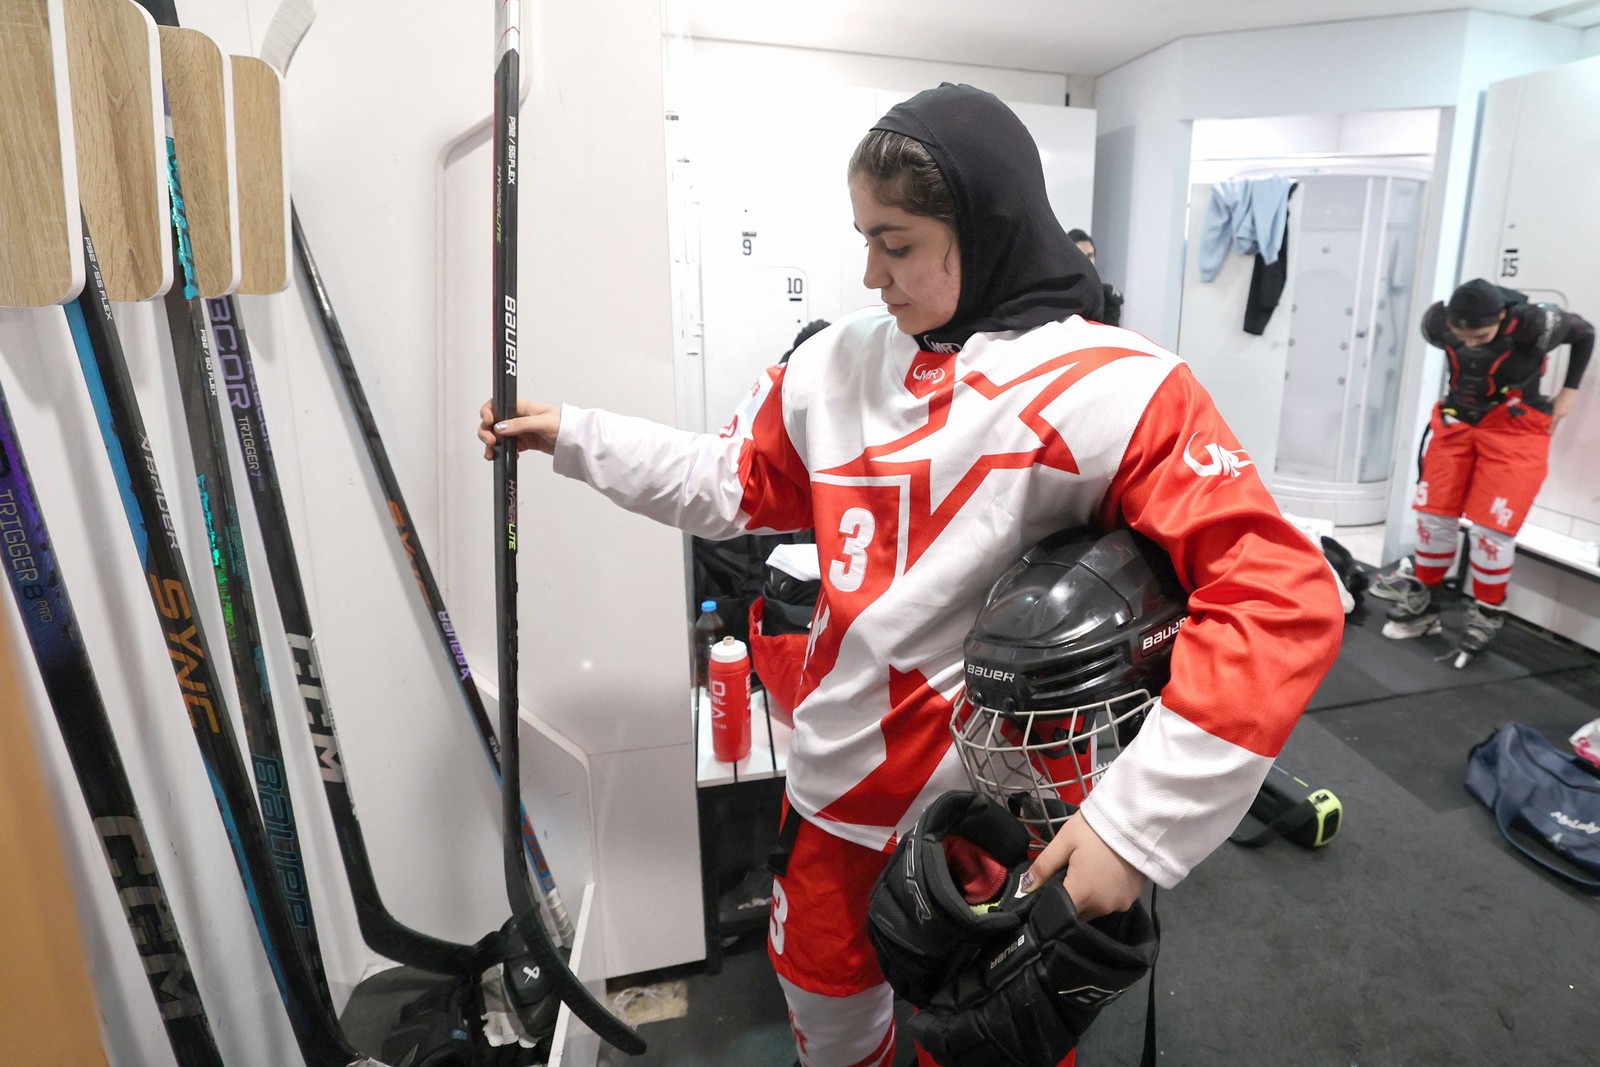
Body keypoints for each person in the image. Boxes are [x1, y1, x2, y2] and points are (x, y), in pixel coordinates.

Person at [479, 83, 1344, 1067]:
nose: (869, 272)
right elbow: (733, 481)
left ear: (981, 227)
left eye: (895, 244)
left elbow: (1278, 597)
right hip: (834, 784)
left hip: (988, 807)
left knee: (989, 1037)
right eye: (862, 240)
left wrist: (1134, 830)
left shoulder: (1117, 384)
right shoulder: (832, 363)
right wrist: (575, 435)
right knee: (829, 1019)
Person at [1383, 278, 1594, 660]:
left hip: (1515, 428)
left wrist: (1570, 391)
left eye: (1481, 334)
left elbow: (1585, 333)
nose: (1473, 342)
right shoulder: (1437, 324)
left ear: (1500, 316)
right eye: (1464, 336)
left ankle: (1487, 612)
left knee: (1491, 533)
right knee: (1433, 519)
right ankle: (1424, 604)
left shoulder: (1534, 324)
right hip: (1457, 423)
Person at [1066, 228, 1123, 327]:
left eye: (1090, 256)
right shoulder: (1056, 296)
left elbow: (1112, 336)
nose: (1087, 262)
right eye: (1080, 256)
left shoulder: (1108, 296)